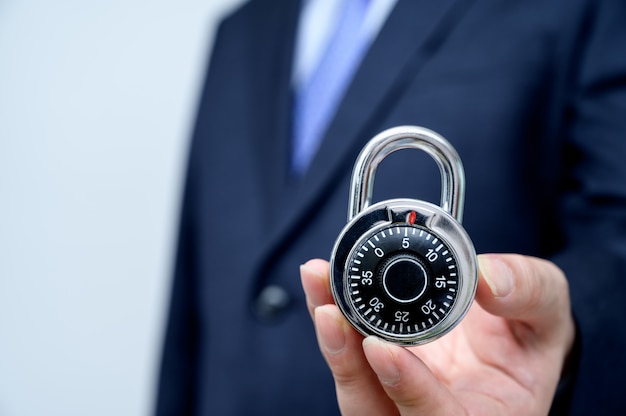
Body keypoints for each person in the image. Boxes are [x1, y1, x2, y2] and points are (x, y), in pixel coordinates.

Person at [155, 0, 626, 415]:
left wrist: (570, 334)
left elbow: (617, 233)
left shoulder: (584, 7)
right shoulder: (242, 26)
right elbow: (193, 282)